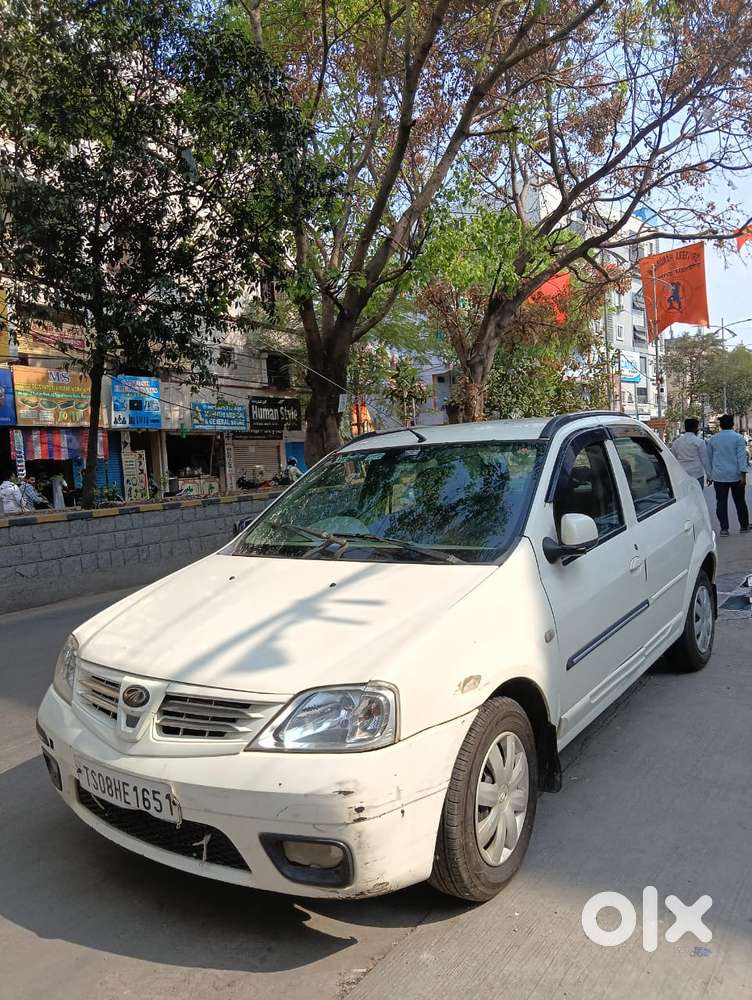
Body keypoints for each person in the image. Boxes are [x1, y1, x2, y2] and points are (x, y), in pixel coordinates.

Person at [707, 414, 750, 536]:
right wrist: (743, 476)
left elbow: (708, 459)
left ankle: (724, 529)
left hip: (719, 476)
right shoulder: (738, 438)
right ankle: (744, 525)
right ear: (733, 424)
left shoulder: (713, 439)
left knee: (721, 502)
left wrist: (710, 476)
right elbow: (741, 458)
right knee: (740, 501)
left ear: (720, 425)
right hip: (736, 475)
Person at [670, 417, 711, 490]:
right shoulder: (699, 442)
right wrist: (709, 476)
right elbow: (705, 461)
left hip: (682, 475)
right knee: (698, 499)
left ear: (685, 428)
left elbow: (673, 459)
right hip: (697, 475)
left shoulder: (676, 442)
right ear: (695, 428)